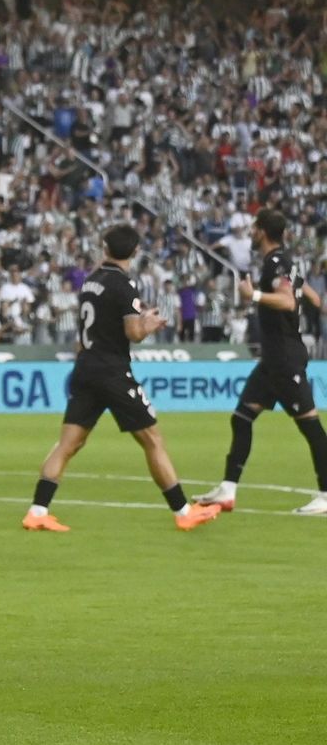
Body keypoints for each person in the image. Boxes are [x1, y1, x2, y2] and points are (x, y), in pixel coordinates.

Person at [22, 225, 222, 533]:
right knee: (152, 440)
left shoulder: (91, 282)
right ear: (136, 252)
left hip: (86, 365)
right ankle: (184, 511)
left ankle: (37, 510)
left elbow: (98, 326)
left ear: (104, 247)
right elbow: (133, 334)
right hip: (112, 371)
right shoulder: (124, 285)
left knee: (68, 444)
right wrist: (150, 323)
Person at [196, 210, 327, 516]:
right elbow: (313, 298)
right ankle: (227, 490)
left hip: (283, 358)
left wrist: (252, 294)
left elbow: (288, 301)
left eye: (254, 228)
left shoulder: (276, 263)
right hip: (273, 359)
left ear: (263, 231)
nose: (251, 233)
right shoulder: (287, 262)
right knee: (241, 418)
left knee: (310, 426)